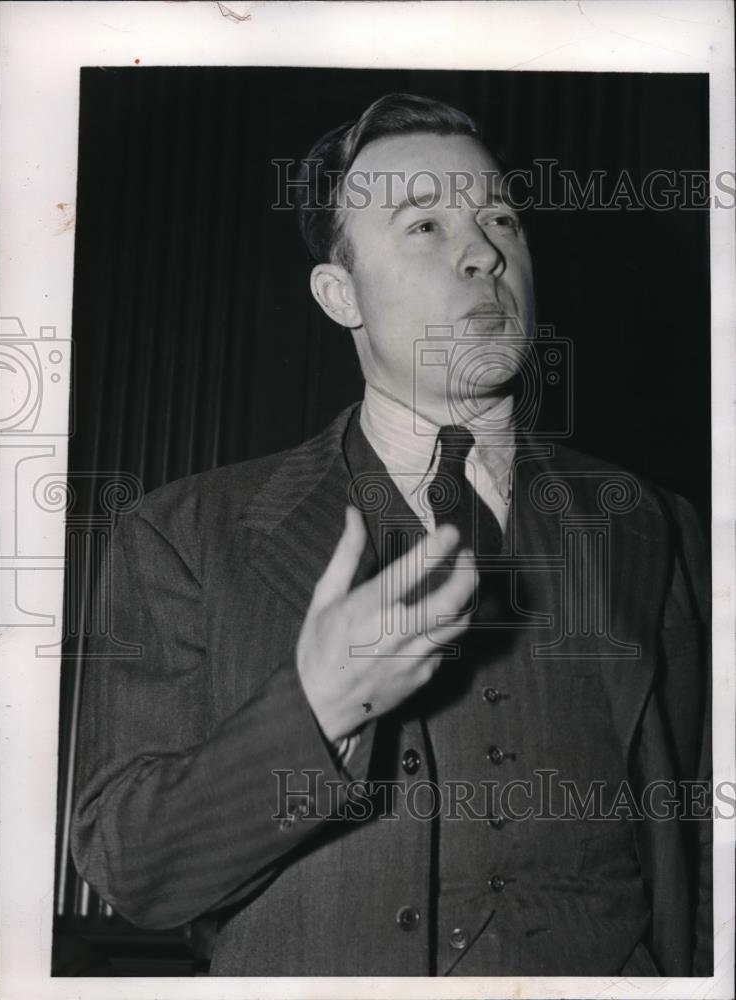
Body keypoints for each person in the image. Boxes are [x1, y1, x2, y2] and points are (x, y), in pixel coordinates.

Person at [70, 93, 712, 977]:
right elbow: (134, 871)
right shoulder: (181, 535)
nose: (485, 252)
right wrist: (318, 705)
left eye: (500, 219)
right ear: (341, 295)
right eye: (425, 226)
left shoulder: (653, 524)